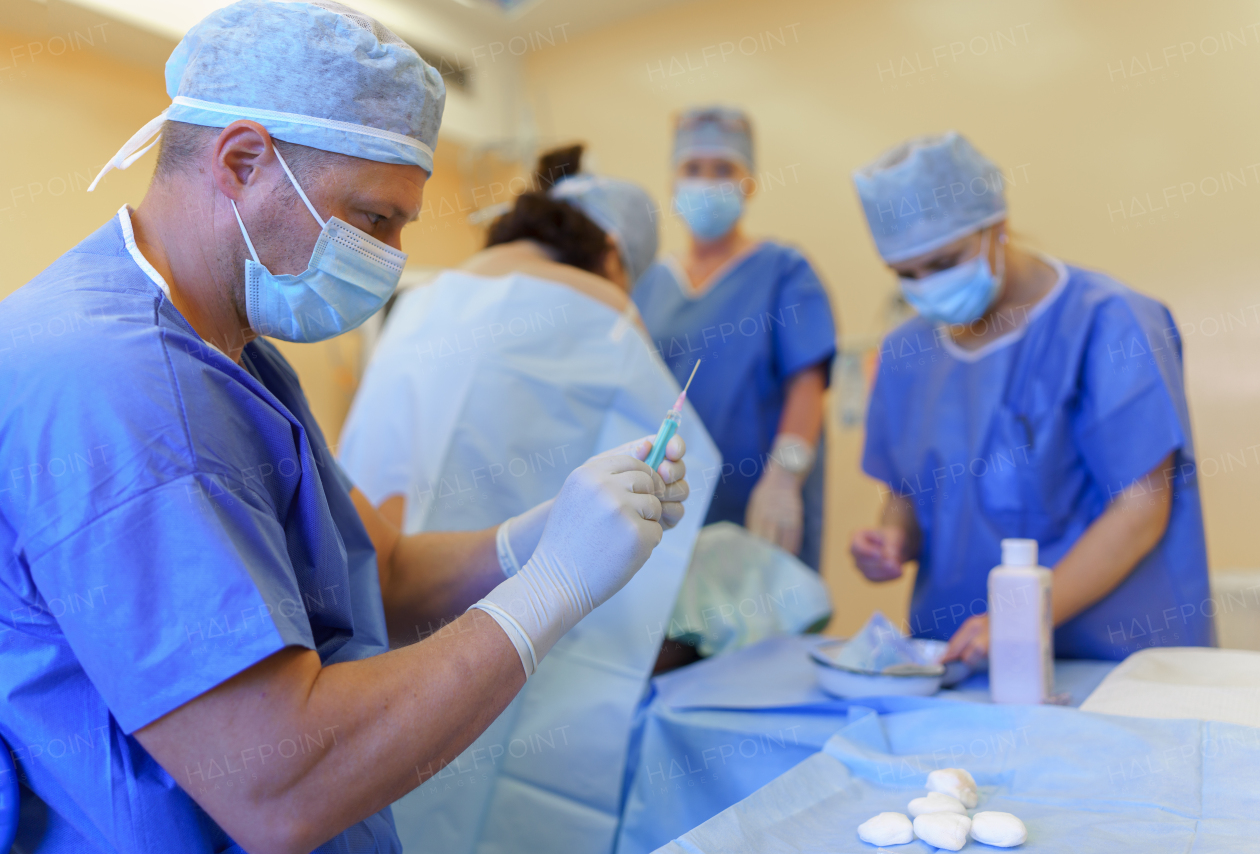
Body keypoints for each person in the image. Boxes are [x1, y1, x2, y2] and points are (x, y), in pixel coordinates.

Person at [0, 4, 690, 852]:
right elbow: (279, 785)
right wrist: (551, 592)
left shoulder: (235, 349)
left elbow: (381, 573)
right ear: (243, 161)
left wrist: (539, 537)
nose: (395, 256)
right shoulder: (111, 387)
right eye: (375, 220)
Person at [337, 150, 719, 852]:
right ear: (612, 253)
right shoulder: (604, 311)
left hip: (368, 644)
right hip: (499, 647)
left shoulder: (423, 300)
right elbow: (652, 480)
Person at [847, 131, 1213, 664]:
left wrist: (1019, 619)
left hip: (1107, 662)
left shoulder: (1108, 322)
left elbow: (1141, 509)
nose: (927, 286)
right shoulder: (908, 351)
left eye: (945, 260)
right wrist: (892, 539)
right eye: (907, 274)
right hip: (960, 664)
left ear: (995, 226)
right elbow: (909, 490)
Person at [632, 106, 837, 570]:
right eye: (693, 168)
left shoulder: (784, 270)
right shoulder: (650, 283)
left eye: (724, 168)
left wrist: (785, 478)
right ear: (672, 182)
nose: (707, 181)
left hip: (757, 502)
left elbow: (807, 382)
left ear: (750, 182)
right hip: (669, 497)